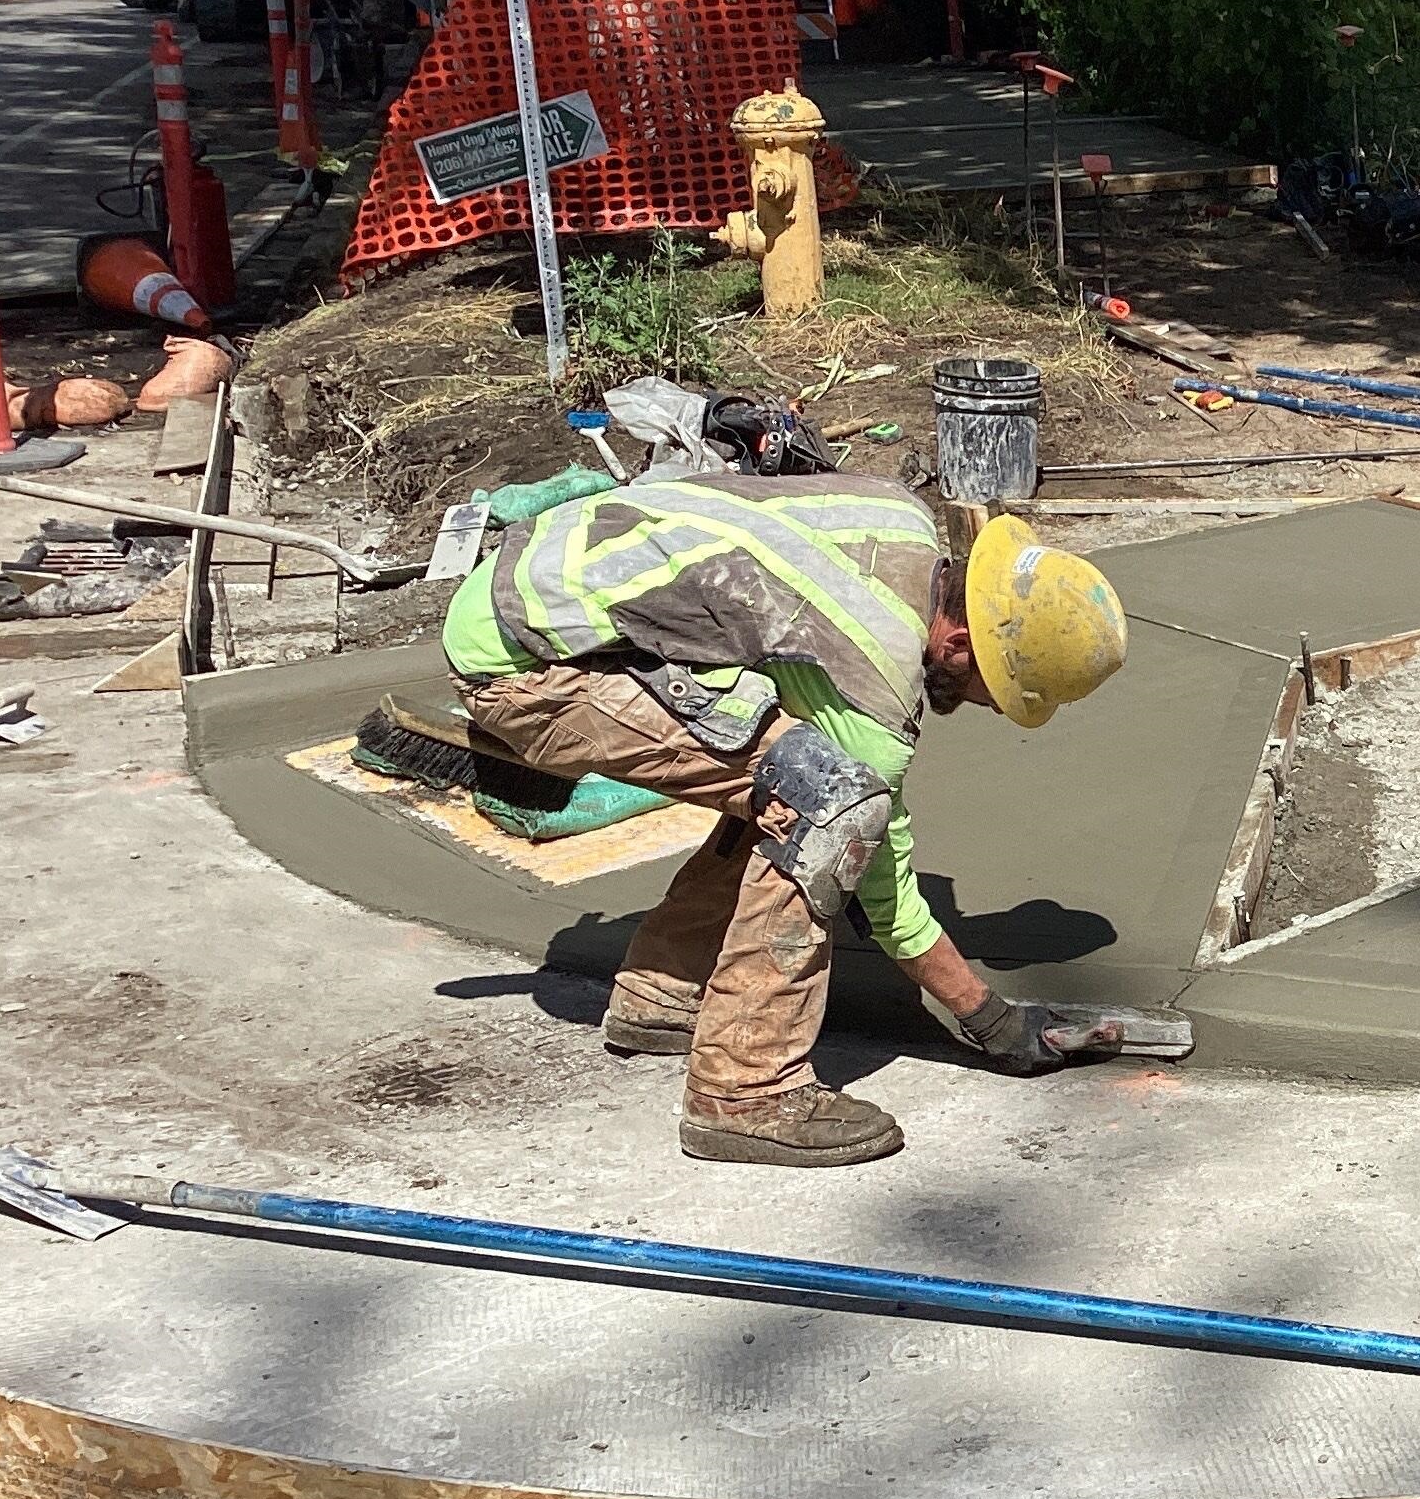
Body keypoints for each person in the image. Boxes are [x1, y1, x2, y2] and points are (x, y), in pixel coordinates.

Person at [443, 473, 1129, 1167]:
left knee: (777, 768)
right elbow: (884, 891)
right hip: (528, 669)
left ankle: (664, 991)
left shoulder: (898, 516)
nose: (989, 707)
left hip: (525, 592)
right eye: (998, 689)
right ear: (957, 646)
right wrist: (991, 1019)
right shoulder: (874, 670)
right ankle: (745, 1091)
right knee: (829, 802)